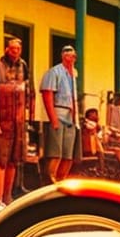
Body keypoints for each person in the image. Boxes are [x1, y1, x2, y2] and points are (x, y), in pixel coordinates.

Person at [0, 36, 28, 211]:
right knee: (0, 159)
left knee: (14, 159)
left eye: (18, 49)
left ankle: (8, 196)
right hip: (3, 118)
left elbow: (28, 89)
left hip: (19, 118)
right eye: (12, 49)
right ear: (6, 49)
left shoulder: (23, 65)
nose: (15, 52)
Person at [40, 45, 81, 182]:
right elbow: (48, 94)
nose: (72, 59)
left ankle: (61, 180)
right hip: (58, 113)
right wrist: (53, 119)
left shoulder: (74, 74)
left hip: (71, 117)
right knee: (55, 153)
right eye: (69, 56)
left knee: (68, 155)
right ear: (63, 56)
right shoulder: (54, 72)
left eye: (74, 56)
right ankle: (49, 181)